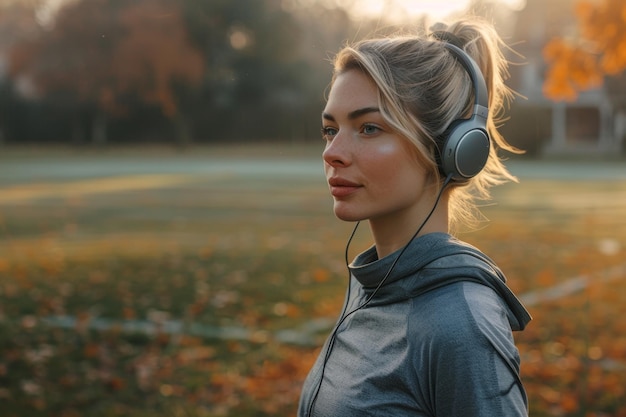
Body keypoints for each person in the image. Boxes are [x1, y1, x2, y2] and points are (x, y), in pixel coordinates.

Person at [298, 17, 532, 417]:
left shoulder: (460, 324)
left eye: (368, 128)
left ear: (450, 149)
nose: (332, 152)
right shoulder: (378, 278)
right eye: (330, 129)